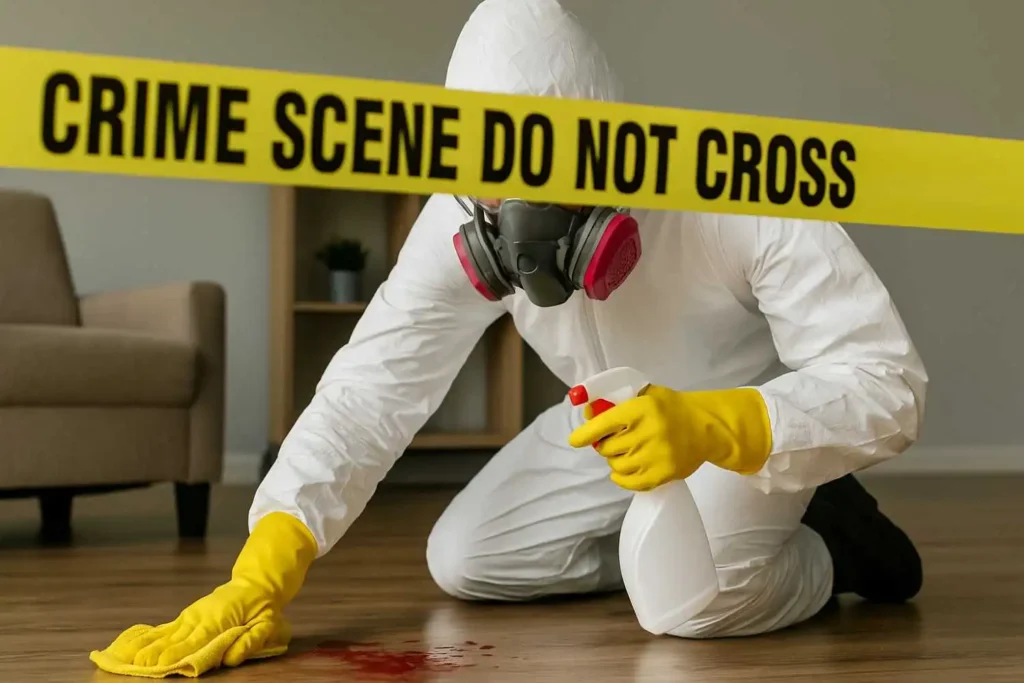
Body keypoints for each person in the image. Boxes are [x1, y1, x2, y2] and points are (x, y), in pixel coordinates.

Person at [90, 0, 927, 677]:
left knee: (684, 607)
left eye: (552, 193)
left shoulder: (735, 180)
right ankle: (671, 551)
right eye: (495, 201)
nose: (522, 234)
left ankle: (825, 546)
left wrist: (719, 426)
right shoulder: (457, 219)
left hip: (744, 424)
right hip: (607, 420)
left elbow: (887, 379)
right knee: (466, 558)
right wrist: (263, 565)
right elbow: (370, 389)